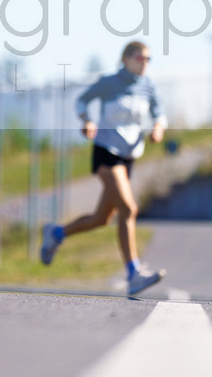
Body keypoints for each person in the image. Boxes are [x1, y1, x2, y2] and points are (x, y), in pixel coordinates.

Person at [40, 41, 168, 295]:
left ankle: (56, 233)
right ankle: (133, 273)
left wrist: (158, 128)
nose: (145, 63)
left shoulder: (147, 86)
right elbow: (81, 102)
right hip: (106, 152)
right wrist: (87, 121)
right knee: (128, 208)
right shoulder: (109, 82)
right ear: (126, 59)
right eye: (141, 58)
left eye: (148, 59)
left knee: (102, 218)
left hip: (129, 156)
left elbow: (159, 112)